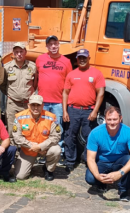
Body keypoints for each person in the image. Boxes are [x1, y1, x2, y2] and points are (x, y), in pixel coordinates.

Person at [63, 49, 105, 172]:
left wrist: (95, 111)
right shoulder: (71, 74)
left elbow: (101, 93)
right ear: (76, 59)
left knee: (90, 137)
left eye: (84, 57)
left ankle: (88, 160)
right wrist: (65, 111)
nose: (82, 60)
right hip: (73, 110)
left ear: (89, 58)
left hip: (88, 111)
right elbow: (65, 93)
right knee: (70, 136)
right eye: (80, 57)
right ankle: (70, 161)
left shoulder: (96, 73)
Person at [36, 35, 72, 163]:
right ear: (46, 46)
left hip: (58, 102)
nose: (53, 46)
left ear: (59, 45)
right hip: (43, 102)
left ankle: (59, 152)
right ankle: (42, 153)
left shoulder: (66, 62)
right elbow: (36, 77)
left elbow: (69, 84)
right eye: (50, 44)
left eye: (55, 43)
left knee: (58, 129)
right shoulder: (40, 59)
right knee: (42, 128)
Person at [85, 106, 130, 202]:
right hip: (102, 161)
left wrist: (120, 173)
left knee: (129, 160)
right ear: (105, 119)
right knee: (90, 178)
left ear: (120, 118)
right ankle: (102, 181)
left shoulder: (129, 132)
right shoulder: (95, 133)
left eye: (115, 119)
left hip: (119, 161)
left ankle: (123, 190)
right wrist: (98, 176)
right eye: (109, 119)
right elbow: (90, 159)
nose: (112, 122)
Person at [13, 94, 61, 181]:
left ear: (42, 105)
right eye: (33, 105)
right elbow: (17, 137)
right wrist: (31, 145)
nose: (36, 108)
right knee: (20, 176)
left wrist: (40, 147)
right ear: (28, 105)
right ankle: (27, 164)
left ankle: (48, 169)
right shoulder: (19, 117)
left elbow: (56, 136)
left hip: (45, 149)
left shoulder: (51, 117)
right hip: (28, 150)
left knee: (56, 150)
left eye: (38, 105)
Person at [0, 42, 37, 145]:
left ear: (25, 52)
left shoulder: (32, 67)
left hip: (27, 105)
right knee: (12, 129)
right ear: (13, 53)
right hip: (12, 104)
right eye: (16, 52)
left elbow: (35, 84)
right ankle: (13, 151)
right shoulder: (7, 68)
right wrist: (11, 94)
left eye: (21, 51)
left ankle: (26, 149)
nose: (19, 54)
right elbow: (3, 85)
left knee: (27, 128)